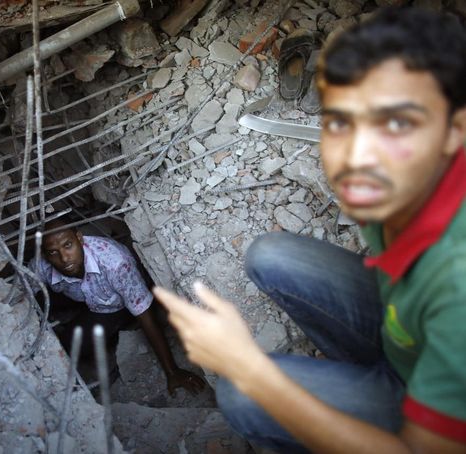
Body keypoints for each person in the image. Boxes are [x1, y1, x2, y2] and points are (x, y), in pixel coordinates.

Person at [153, 7, 466, 453]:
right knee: (270, 256)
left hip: (418, 397)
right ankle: (358, 371)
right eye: (341, 122)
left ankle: (358, 409)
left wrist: (254, 372)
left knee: (243, 395)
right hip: (407, 330)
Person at [32, 218, 205, 396]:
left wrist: (172, 371)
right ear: (45, 254)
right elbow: (24, 287)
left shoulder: (115, 264)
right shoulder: (43, 264)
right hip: (79, 294)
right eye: (53, 252)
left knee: (72, 345)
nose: (64, 257)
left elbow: (144, 315)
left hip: (112, 305)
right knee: (46, 299)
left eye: (68, 245)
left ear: (80, 238)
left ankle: (116, 332)